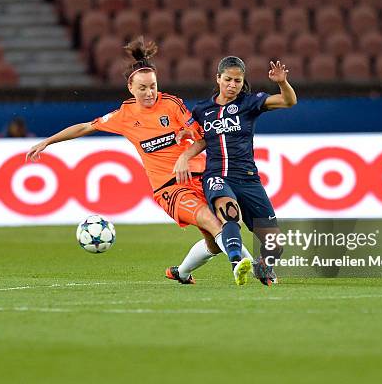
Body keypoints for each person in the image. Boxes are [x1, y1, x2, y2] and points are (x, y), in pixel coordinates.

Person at [26, 37, 254, 286]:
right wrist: (48, 141)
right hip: (169, 188)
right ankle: (251, 267)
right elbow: (85, 127)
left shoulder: (172, 105)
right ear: (130, 88)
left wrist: (188, 144)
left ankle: (181, 273)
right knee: (213, 222)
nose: (149, 93)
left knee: (216, 240)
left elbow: (201, 135)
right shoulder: (124, 115)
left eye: (153, 86)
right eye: (143, 88)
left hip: (200, 178)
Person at [174, 56, 297, 285]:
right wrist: (185, 154)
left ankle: (263, 267)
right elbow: (201, 139)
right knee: (230, 215)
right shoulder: (202, 109)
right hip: (217, 176)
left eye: (238, 81)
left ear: (243, 82)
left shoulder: (249, 103)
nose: (232, 85)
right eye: (228, 79)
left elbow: (289, 101)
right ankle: (236, 263)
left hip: (248, 178)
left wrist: (282, 83)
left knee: (275, 243)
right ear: (218, 78)